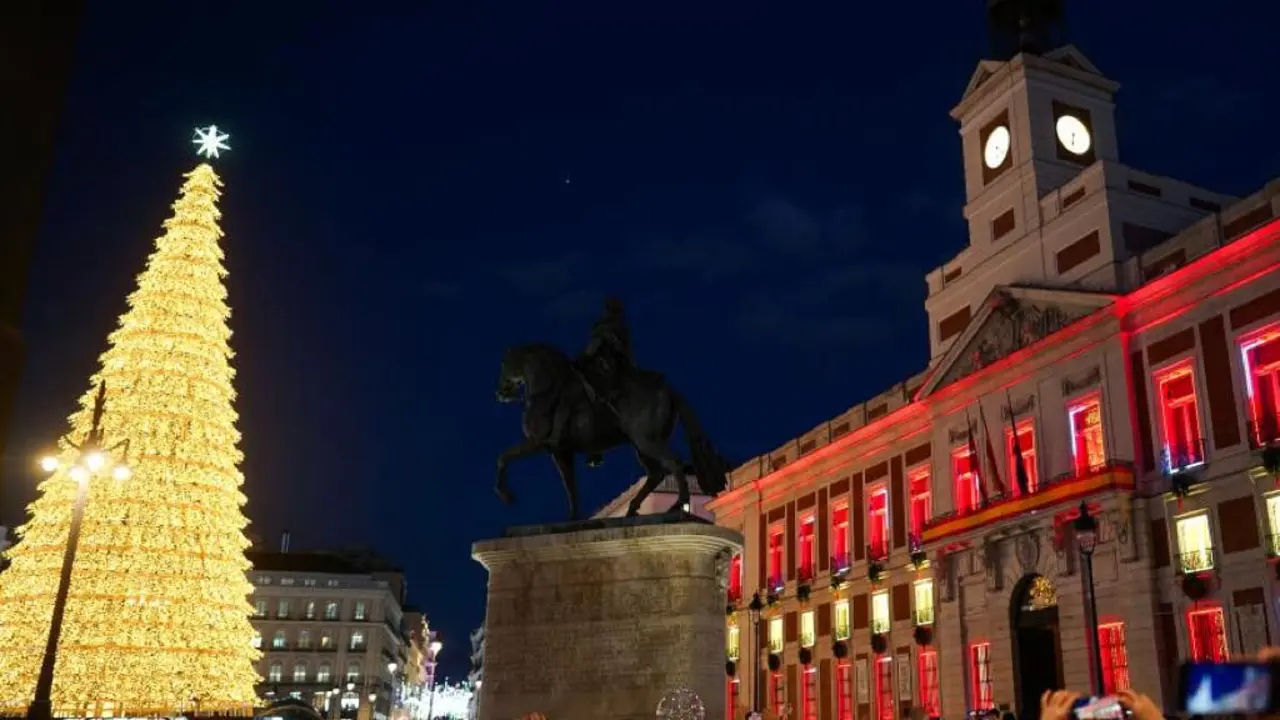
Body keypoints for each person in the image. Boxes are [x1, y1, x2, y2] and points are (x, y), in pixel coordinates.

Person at [575, 297, 634, 468]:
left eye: (608, 309)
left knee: (587, 391)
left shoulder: (604, 327)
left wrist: (581, 359)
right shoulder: (622, 327)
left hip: (607, 368)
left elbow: (594, 347)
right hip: (617, 366)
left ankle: (594, 443)